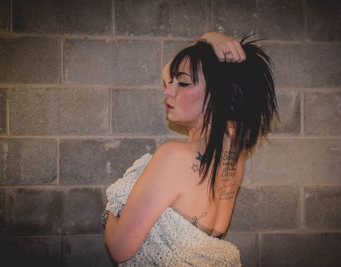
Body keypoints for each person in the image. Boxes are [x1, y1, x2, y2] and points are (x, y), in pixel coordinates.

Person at [103, 32, 278, 266]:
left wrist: (115, 206)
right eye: (172, 82)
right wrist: (209, 39)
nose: (168, 90)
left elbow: (119, 249)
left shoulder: (175, 156)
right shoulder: (237, 154)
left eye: (183, 84)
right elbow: (169, 71)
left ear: (218, 94)